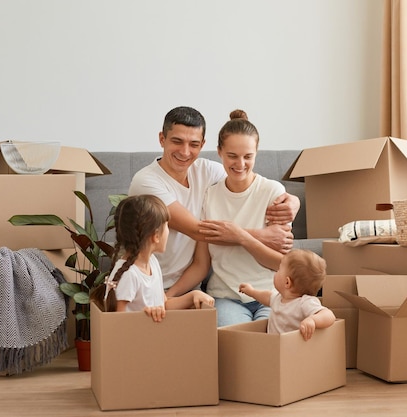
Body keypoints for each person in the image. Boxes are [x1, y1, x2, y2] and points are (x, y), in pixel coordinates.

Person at [128, 106, 300, 290]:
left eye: (193, 144)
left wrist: (293, 201)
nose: (185, 152)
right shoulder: (146, 181)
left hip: (189, 283)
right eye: (177, 141)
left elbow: (247, 181)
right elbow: (197, 231)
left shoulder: (207, 171)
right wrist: (262, 236)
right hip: (148, 283)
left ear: (202, 144)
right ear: (162, 139)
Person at [167, 109, 291, 327]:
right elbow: (201, 263)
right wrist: (169, 294)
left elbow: (281, 264)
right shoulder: (210, 196)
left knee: (269, 339)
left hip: (271, 294)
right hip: (226, 297)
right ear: (219, 152)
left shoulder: (273, 192)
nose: (240, 164)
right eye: (232, 156)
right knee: (234, 342)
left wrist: (241, 236)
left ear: (256, 153)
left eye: (248, 157)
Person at [90, 194, 214, 322]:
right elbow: (118, 324)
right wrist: (145, 317)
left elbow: (164, 304)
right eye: (167, 226)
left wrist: (192, 296)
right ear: (155, 236)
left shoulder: (153, 262)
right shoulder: (129, 275)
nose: (168, 231)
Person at [239, 249, 336, 340]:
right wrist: (251, 291)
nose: (276, 272)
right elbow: (266, 296)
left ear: (287, 282)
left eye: (279, 270)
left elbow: (329, 315)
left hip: (294, 350)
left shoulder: (304, 302)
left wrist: (313, 320)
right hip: (274, 347)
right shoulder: (278, 298)